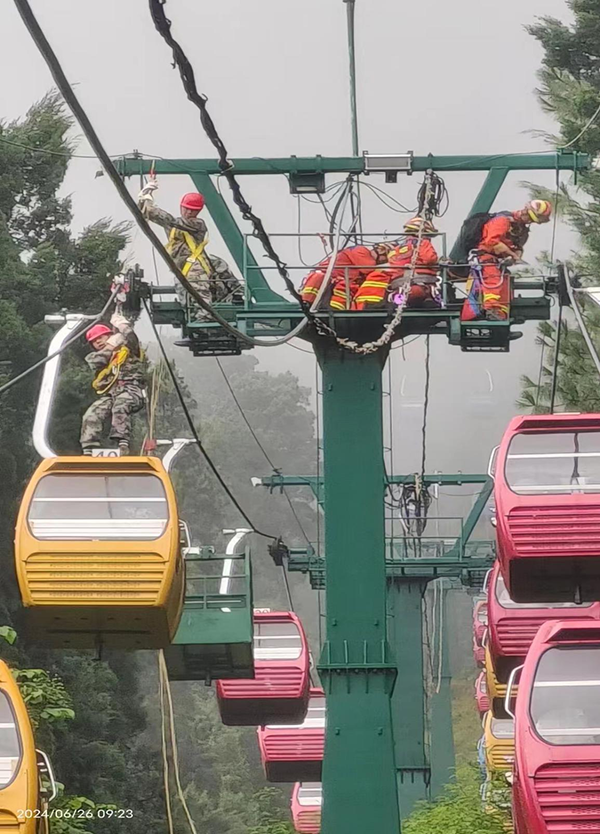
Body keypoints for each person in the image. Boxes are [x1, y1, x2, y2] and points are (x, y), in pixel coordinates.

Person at [138, 180, 243, 316]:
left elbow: (168, 219)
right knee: (213, 266)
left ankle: (208, 312)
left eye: (193, 210)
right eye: (186, 208)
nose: (188, 212)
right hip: (181, 265)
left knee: (200, 280)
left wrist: (149, 204)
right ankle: (222, 301)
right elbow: (148, 215)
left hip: (195, 264)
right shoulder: (173, 226)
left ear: (198, 211)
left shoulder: (197, 224)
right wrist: (144, 199)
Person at [461, 199, 552, 322]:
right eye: (530, 218)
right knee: (493, 280)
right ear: (525, 211)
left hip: (498, 262)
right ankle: (491, 309)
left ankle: (501, 313)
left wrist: (516, 254)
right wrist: (512, 255)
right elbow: (491, 242)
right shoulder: (502, 221)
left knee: (505, 284)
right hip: (484, 258)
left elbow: (517, 247)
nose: (530, 221)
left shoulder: (521, 230)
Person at [80, 313, 145, 456]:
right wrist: (110, 346)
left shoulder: (129, 350)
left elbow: (132, 338)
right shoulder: (101, 359)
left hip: (131, 390)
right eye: (94, 341)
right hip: (112, 394)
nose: (98, 341)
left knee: (120, 406)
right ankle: (88, 448)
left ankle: (122, 444)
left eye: (101, 337)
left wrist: (122, 326)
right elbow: (95, 361)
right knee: (92, 414)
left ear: (110, 335)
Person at [353, 217, 440, 311]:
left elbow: (394, 268)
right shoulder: (422, 243)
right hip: (421, 288)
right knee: (432, 301)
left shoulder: (396, 250)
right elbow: (429, 259)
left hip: (399, 290)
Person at [299, 242, 394, 310]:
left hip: (339, 283)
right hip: (326, 278)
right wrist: (391, 267)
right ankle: (307, 303)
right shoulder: (361, 251)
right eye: (385, 259)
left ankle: (336, 310)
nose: (382, 261)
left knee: (346, 290)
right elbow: (367, 268)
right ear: (381, 250)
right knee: (318, 278)